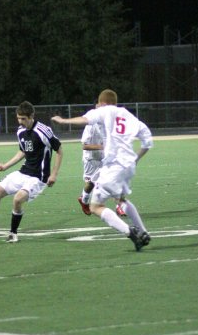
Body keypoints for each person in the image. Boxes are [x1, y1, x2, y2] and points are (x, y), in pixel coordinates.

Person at [52, 89, 153, 252]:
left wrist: (63, 121)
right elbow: (147, 142)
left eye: (99, 104)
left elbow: (84, 119)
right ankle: (144, 232)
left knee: (96, 206)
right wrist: (135, 159)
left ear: (104, 103)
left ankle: (130, 232)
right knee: (121, 200)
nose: (97, 107)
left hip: (113, 166)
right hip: (128, 166)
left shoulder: (105, 110)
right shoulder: (129, 115)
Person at [0, 101, 63, 242]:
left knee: (17, 199)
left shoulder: (43, 131)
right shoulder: (20, 131)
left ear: (31, 116)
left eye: (23, 119)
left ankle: (13, 233)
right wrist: (5, 166)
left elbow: (59, 150)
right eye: (18, 118)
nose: (20, 121)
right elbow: (22, 151)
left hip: (38, 177)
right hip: (23, 172)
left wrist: (54, 174)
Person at [78, 106, 126, 217]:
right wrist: (103, 147)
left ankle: (119, 206)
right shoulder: (91, 125)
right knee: (90, 184)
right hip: (92, 159)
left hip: (106, 159)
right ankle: (84, 200)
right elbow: (85, 146)